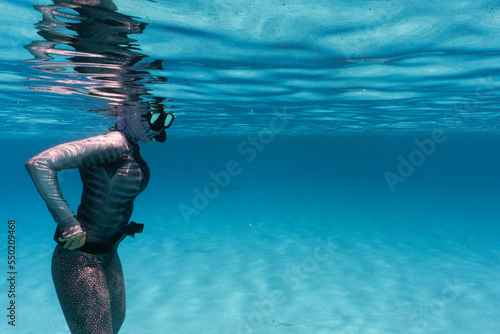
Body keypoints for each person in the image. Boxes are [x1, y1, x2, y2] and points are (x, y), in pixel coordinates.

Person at [25, 110, 174, 334]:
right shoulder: (114, 144)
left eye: (166, 121)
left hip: (109, 253)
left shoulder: (129, 146)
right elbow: (39, 164)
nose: (160, 128)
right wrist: (68, 223)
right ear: (133, 113)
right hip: (79, 259)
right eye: (155, 118)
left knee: (115, 324)